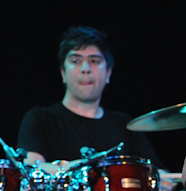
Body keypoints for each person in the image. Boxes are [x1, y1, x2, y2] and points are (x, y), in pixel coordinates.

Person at [17, 26, 161, 166]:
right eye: (76, 61)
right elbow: (32, 169)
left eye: (94, 61)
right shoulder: (40, 119)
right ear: (63, 73)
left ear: (108, 73)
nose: (86, 69)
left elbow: (158, 175)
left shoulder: (124, 125)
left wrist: (165, 180)